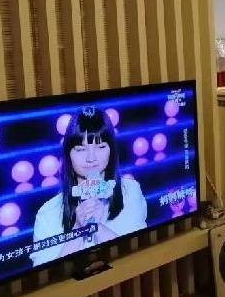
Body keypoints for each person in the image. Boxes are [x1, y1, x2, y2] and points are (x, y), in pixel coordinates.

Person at [30, 107, 147, 267]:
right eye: (81, 149)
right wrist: (79, 229)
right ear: (68, 154)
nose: (91, 158)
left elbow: (138, 257)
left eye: (100, 147)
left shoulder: (130, 192)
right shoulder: (48, 213)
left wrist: (97, 228)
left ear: (111, 150)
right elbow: (47, 274)